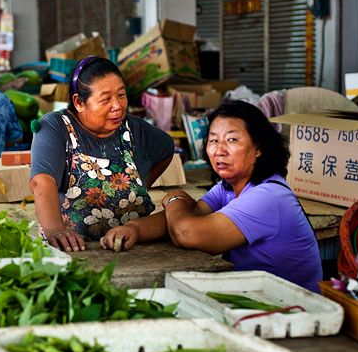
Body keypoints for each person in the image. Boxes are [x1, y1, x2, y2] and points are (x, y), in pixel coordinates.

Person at [100, 100, 322, 292]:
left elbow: (186, 232)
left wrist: (175, 198)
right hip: (255, 294)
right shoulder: (229, 186)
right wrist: (135, 229)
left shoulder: (268, 197)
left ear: (258, 148)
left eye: (232, 140)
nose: (219, 150)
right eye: (214, 140)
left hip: (290, 311)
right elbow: (191, 214)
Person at [30, 56, 174, 252]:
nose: (117, 106)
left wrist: (142, 183)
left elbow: (166, 148)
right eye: (106, 99)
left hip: (132, 248)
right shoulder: (56, 127)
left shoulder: (133, 129)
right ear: (79, 102)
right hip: (75, 249)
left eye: (121, 95)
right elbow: (42, 181)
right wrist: (55, 230)